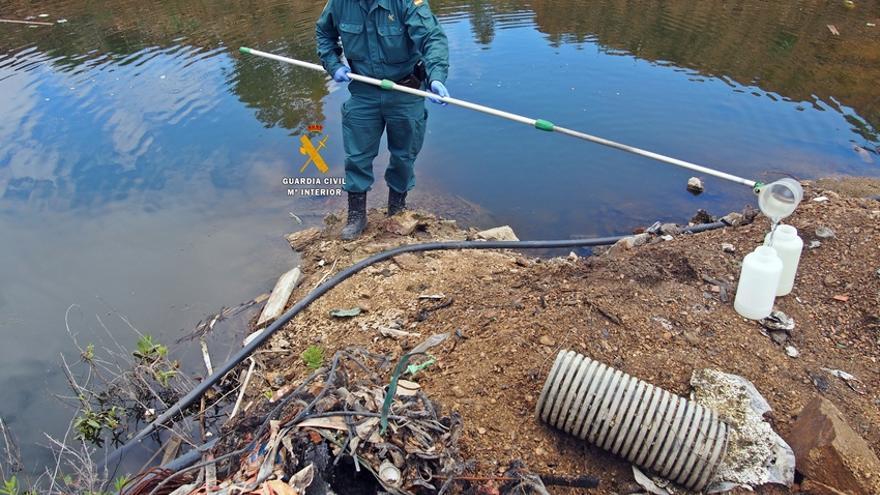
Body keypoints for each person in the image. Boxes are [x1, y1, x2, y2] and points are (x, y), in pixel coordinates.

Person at [316, 0, 450, 240]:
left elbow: (432, 38)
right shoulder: (339, 3)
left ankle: (396, 209)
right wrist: (332, 63)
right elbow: (324, 33)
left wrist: (436, 76)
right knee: (357, 155)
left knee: (404, 153)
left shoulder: (407, 3)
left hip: (406, 90)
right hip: (364, 90)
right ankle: (357, 215)